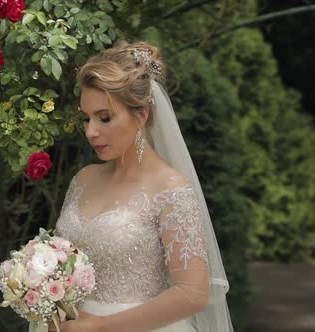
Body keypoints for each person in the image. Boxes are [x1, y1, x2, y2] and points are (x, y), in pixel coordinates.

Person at [51, 41, 233, 332]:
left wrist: (101, 327)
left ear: (141, 115)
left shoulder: (170, 189)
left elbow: (193, 293)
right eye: (86, 118)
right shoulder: (83, 179)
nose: (91, 131)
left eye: (105, 117)